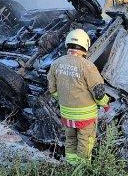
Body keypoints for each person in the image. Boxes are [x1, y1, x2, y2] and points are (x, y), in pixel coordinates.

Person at [46, 29, 110, 165]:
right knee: (85, 143)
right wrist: (105, 104)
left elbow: (52, 89)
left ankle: (70, 165)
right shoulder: (87, 66)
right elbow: (98, 93)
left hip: (66, 114)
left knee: (70, 140)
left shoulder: (56, 63)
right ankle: (82, 172)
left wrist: (64, 100)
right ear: (85, 45)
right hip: (85, 116)